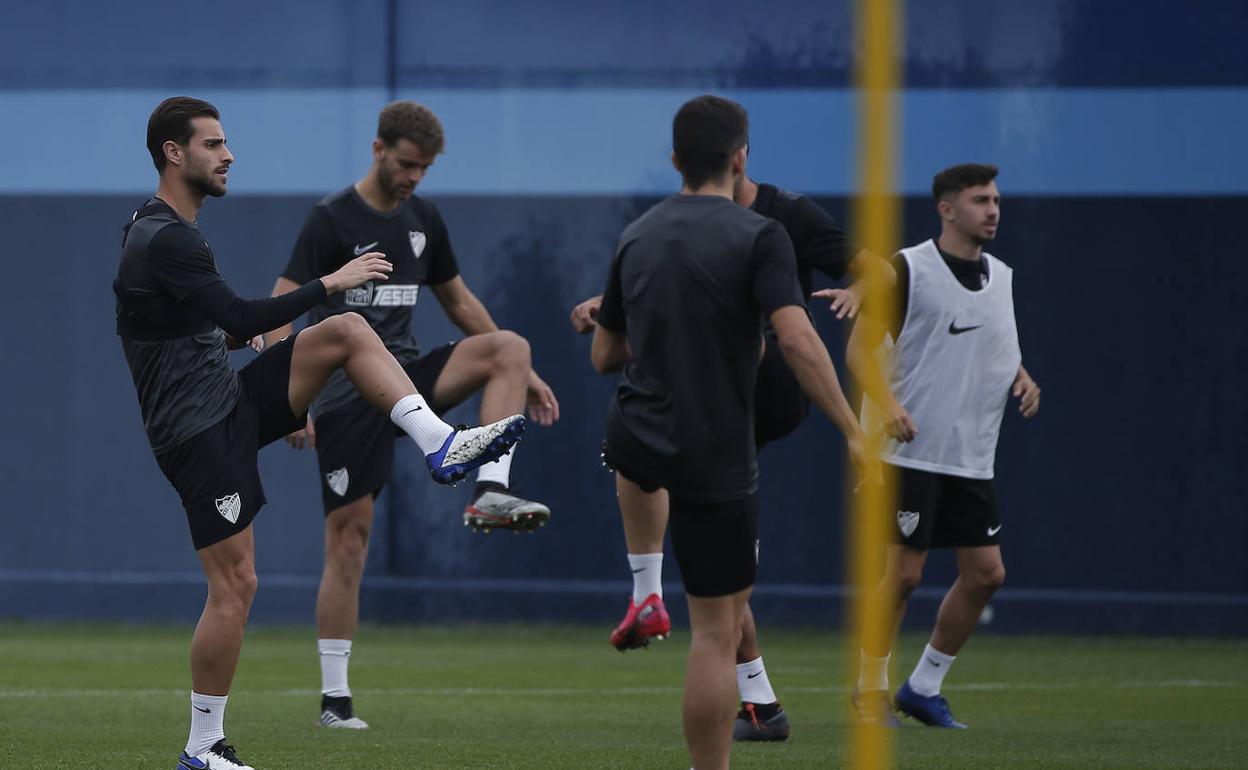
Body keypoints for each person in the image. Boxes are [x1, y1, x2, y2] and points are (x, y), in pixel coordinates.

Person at [114, 97, 525, 770]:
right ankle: (203, 748)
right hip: (196, 431)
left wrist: (230, 338)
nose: (229, 154)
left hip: (225, 399)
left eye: (226, 142)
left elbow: (201, 327)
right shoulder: (165, 236)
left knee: (346, 330)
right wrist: (332, 280)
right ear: (174, 152)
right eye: (214, 144)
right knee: (237, 585)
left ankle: (442, 444)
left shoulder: (167, 231)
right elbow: (244, 315)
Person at [591, 94, 872, 770]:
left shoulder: (637, 234)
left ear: (674, 161)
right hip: (718, 450)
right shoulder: (761, 234)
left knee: (624, 440)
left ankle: (644, 583)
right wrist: (854, 431)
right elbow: (800, 341)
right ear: (740, 157)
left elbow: (604, 355)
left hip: (642, 433)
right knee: (715, 636)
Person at [263, 100, 559, 730]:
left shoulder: (425, 218)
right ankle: (335, 702)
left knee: (510, 346)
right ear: (377, 149)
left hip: (412, 381)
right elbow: (282, 303)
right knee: (350, 542)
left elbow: (459, 301)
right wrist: (287, 401)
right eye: (405, 164)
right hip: (348, 397)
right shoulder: (330, 218)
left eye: (424, 168)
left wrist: (524, 376)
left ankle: (490, 492)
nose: (413, 178)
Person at [846, 163, 1040, 729]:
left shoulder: (1001, 276)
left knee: (987, 574)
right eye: (981, 200)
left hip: (970, 454)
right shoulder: (908, 270)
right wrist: (889, 405)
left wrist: (1020, 376)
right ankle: (869, 691)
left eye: (997, 200)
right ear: (947, 209)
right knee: (904, 575)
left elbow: (989, 344)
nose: (994, 209)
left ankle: (923, 687)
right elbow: (860, 352)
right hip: (907, 451)